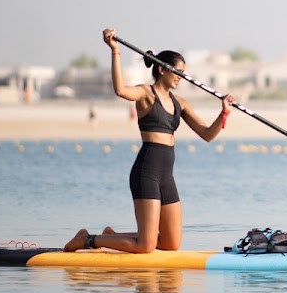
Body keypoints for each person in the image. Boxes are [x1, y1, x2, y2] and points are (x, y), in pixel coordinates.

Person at [64, 28, 234, 253]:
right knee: (146, 246)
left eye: (184, 72)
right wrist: (115, 51)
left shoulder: (180, 103)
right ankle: (87, 239)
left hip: (167, 176)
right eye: (178, 71)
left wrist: (223, 114)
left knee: (171, 244)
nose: (181, 76)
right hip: (147, 172)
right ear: (162, 69)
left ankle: (112, 237)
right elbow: (120, 90)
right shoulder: (145, 94)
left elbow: (207, 134)